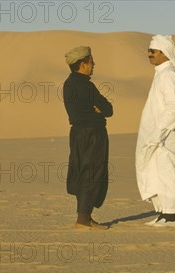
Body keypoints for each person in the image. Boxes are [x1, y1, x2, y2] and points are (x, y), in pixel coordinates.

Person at [136, 35, 175, 228]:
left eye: (153, 51)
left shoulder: (168, 74)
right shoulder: (161, 73)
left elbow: (173, 107)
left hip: (165, 137)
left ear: (164, 53)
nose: (149, 54)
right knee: (155, 173)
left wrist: (159, 132)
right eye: (149, 50)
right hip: (156, 135)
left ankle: (170, 217)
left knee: (167, 174)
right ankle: (162, 214)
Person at [63, 46, 113, 230]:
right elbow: (108, 109)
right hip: (93, 134)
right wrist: (99, 111)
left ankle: (85, 217)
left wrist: (98, 109)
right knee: (91, 173)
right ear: (82, 64)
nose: (94, 65)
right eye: (91, 61)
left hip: (77, 133)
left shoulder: (68, 84)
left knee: (82, 171)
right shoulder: (86, 85)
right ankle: (83, 220)